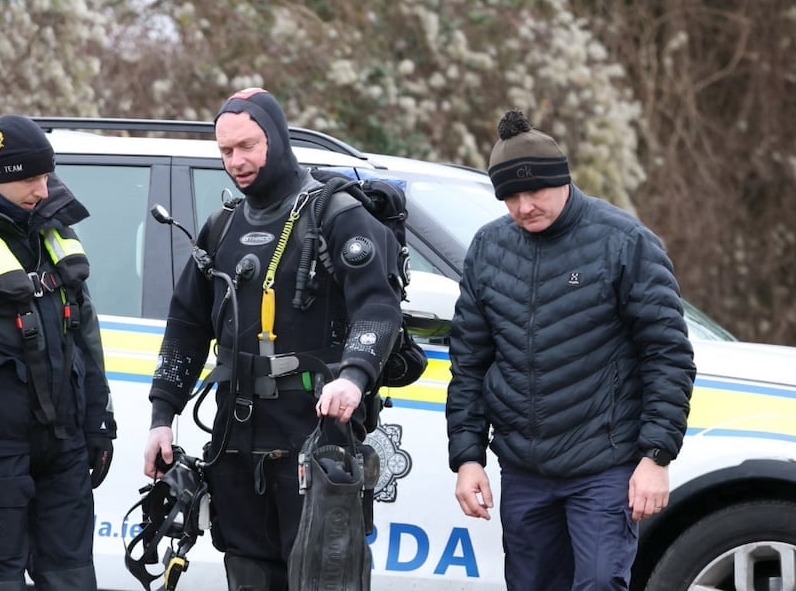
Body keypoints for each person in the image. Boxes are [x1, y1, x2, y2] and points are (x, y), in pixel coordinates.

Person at [141, 87, 408, 589]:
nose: (236, 162)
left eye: (248, 146)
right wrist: (162, 416)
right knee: (246, 572)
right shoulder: (221, 228)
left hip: (314, 436)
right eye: (226, 151)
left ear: (277, 140)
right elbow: (186, 326)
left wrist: (353, 377)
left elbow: (378, 307)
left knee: (324, 574)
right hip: (235, 441)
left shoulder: (336, 215)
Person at [445, 109, 696, 590]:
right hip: (523, 467)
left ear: (562, 180)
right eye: (510, 196)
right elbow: (470, 362)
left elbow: (668, 354)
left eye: (534, 190)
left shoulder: (624, 242)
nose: (523, 207)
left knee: (600, 584)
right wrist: (468, 457)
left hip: (605, 464)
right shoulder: (488, 248)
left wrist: (656, 457)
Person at [0, 115, 116, 590]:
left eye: (46, 176)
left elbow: (84, 330)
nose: (43, 188)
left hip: (64, 444)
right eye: (31, 179)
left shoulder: (48, 223)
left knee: (72, 580)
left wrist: (98, 420)